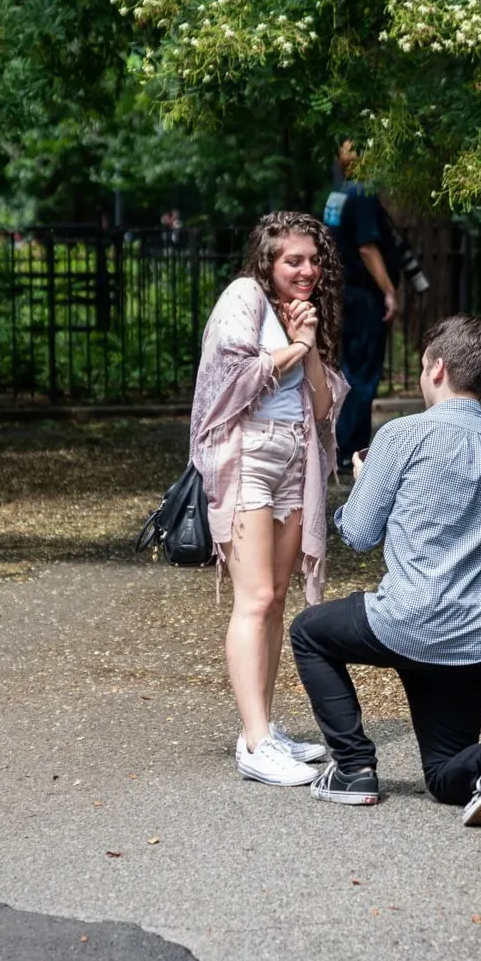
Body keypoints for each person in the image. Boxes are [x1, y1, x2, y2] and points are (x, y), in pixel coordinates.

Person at [290, 315, 481, 825]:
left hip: (404, 619)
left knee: (309, 633)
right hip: (472, 637)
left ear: (438, 368)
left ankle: (354, 767)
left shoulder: (402, 435)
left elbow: (358, 533)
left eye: (424, 367)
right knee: (445, 776)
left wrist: (365, 480)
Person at [189, 211, 348, 788]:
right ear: (268, 260)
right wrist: (294, 345)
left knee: (277, 597)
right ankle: (254, 743)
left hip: (295, 458)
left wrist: (306, 344)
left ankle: (263, 726)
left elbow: (324, 405)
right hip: (247, 458)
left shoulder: (304, 314)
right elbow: (231, 381)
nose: (306, 270)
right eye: (293, 261)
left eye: (312, 260)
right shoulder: (244, 297)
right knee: (253, 597)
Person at [322, 140, 399, 467]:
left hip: (344, 291)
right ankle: (350, 449)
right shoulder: (363, 194)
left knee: (348, 369)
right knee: (362, 375)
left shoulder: (338, 194)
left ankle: (339, 444)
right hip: (363, 294)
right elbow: (367, 247)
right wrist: (389, 290)